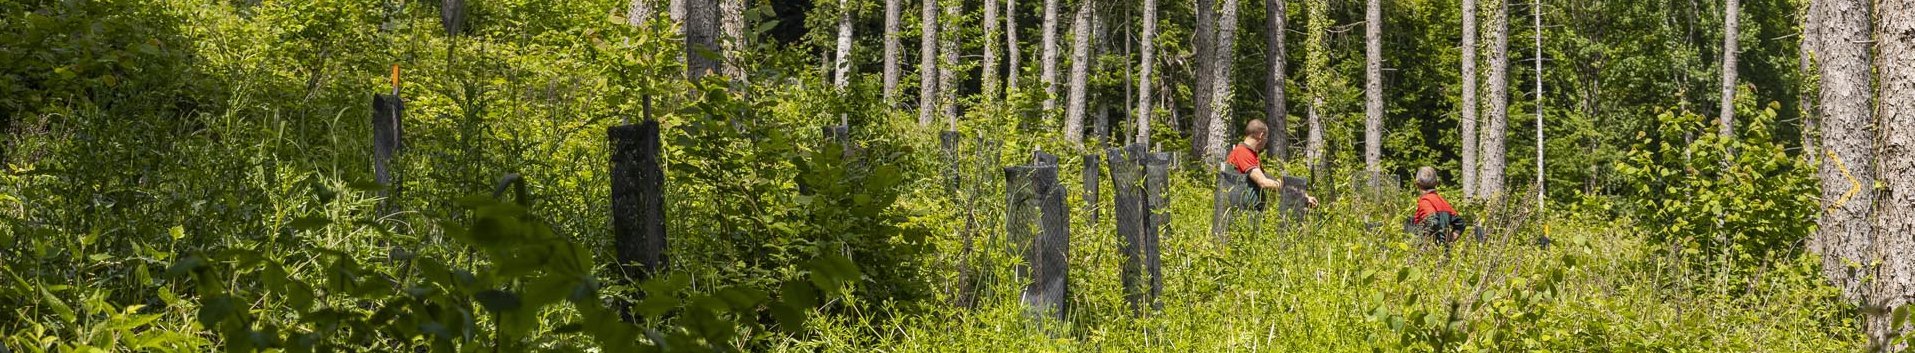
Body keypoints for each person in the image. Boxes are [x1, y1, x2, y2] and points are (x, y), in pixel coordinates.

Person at [1225, 120, 1317, 208]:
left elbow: (1267, 178)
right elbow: (1263, 182)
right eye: (1266, 137)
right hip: (1242, 213)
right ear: (1261, 135)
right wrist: (1296, 192)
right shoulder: (1242, 152)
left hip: (1249, 211)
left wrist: (1302, 195)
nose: (1266, 141)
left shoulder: (1251, 153)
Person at [1411, 166, 1467, 244]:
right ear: (1437, 183)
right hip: (1443, 252)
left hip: (1428, 253)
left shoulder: (1425, 201)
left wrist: (1425, 242)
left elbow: (1432, 221)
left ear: (1417, 183)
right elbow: (1461, 224)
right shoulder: (1443, 202)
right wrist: (1448, 240)